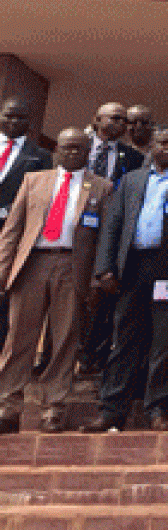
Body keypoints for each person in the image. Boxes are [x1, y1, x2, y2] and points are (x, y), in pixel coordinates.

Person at [84, 125, 168, 432]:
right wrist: (104, 269)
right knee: (123, 341)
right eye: (162, 143)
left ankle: (158, 410)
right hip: (132, 268)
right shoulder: (131, 180)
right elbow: (112, 226)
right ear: (151, 147)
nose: (167, 148)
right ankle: (112, 410)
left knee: (163, 343)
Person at [0, 129, 112, 432]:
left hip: (73, 266)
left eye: (79, 149)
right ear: (56, 151)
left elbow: (104, 238)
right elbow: (12, 230)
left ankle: (53, 409)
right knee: (18, 339)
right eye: (66, 148)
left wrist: (96, 280)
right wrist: (3, 269)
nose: (72, 153)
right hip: (33, 263)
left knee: (64, 339)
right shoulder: (34, 181)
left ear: (88, 151)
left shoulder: (102, 187)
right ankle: (8, 407)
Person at [78, 102, 145, 377]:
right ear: (97, 119)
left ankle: (92, 357)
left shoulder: (132, 157)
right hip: (75, 231)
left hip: (110, 234)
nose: (121, 124)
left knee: (102, 297)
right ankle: (51, 357)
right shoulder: (76, 147)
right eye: (115, 118)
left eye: (124, 120)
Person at [0, 98, 52, 349]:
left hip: (12, 232)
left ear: (29, 123)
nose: (12, 122)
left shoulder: (40, 155)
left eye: (19, 117)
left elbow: (40, 198)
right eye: (8, 116)